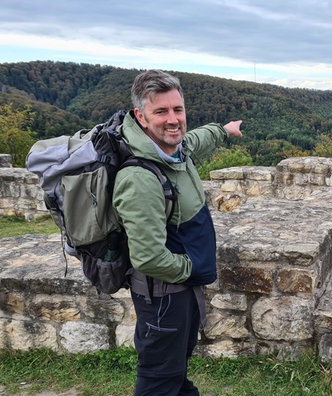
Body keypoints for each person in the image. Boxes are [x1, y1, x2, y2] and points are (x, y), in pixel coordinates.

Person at [112, 69, 242, 396]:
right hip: (163, 298)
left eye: (178, 109)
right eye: (161, 112)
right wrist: (191, 269)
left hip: (179, 293)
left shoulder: (172, 151)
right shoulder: (140, 177)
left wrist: (223, 131)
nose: (173, 120)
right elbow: (148, 256)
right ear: (141, 117)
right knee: (158, 381)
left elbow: (194, 140)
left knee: (174, 371)